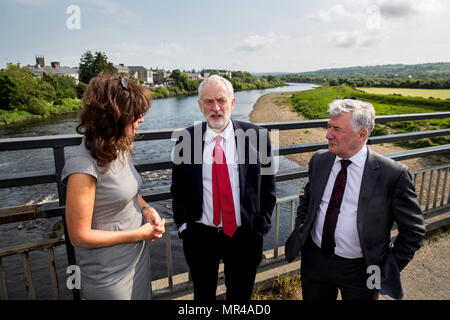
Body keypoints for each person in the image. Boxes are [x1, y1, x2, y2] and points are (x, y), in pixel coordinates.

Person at [285, 99, 425, 300]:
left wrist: (385, 269)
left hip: (362, 270)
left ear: (362, 134)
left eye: (337, 129)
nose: (328, 135)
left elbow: (414, 231)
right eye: (328, 127)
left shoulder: (392, 174)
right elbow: (307, 200)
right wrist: (302, 228)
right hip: (315, 261)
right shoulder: (319, 160)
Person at [171, 75, 276, 301]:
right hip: (200, 237)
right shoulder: (186, 139)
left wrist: (260, 228)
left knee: (240, 296)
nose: (215, 108)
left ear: (233, 103)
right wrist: (184, 228)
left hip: (245, 236)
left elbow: (268, 188)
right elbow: (177, 189)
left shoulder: (258, 137)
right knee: (203, 295)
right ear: (200, 106)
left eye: (221, 100)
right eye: (208, 102)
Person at [62, 75, 165, 300]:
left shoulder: (117, 149)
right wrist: (138, 234)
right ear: (114, 118)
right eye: (136, 115)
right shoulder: (83, 166)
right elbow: (79, 236)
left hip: (135, 261)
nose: (141, 120)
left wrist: (146, 209)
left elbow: (127, 191)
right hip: (109, 276)